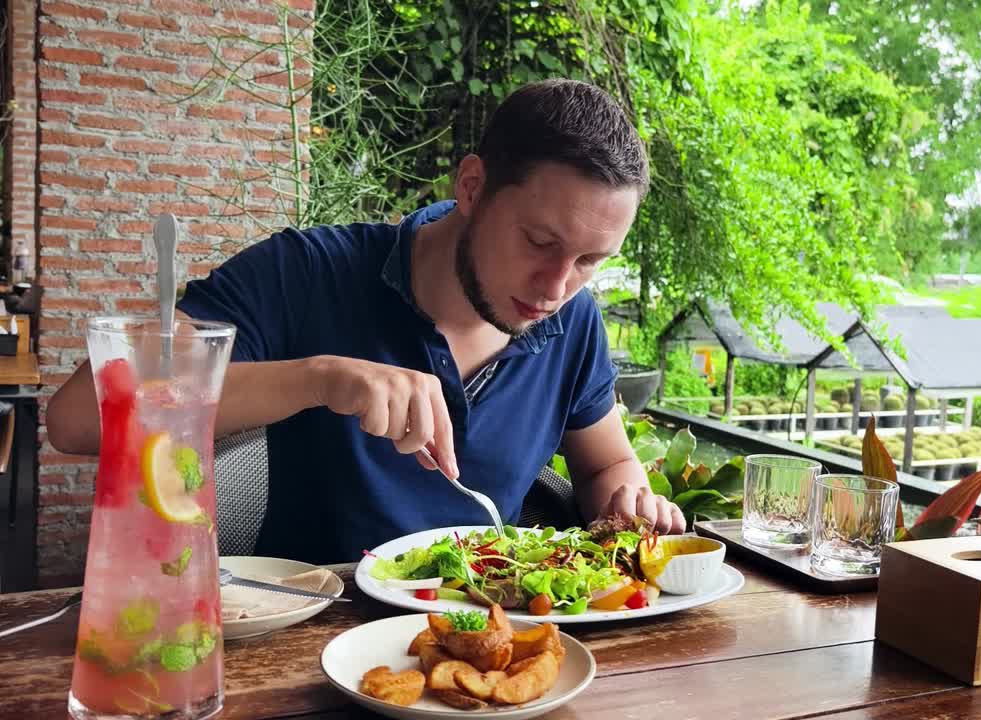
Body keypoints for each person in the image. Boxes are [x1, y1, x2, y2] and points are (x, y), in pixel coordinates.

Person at [46, 78, 685, 564]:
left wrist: (628, 498)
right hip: (310, 641)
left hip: (493, 636)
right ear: (472, 187)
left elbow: (606, 466)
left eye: (589, 262)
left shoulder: (571, 321)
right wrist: (319, 379)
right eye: (539, 241)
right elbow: (76, 419)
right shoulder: (306, 274)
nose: (557, 286)